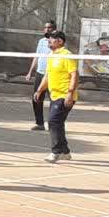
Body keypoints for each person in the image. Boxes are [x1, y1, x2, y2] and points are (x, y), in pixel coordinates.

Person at [34, 30, 78, 163]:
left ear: (60, 41)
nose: (49, 41)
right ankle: (65, 152)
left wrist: (70, 93)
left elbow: (74, 75)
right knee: (57, 123)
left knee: (53, 121)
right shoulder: (51, 55)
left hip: (65, 95)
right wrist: (39, 90)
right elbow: (47, 76)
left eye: (52, 39)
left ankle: (56, 152)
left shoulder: (67, 55)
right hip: (54, 95)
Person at [24, 20, 56, 131]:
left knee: (54, 100)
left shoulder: (56, 42)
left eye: (49, 27)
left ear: (54, 29)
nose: (47, 29)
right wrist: (30, 72)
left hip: (51, 74)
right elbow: (36, 57)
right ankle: (40, 123)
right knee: (36, 98)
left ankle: (53, 124)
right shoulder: (41, 41)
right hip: (40, 73)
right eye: (45, 27)